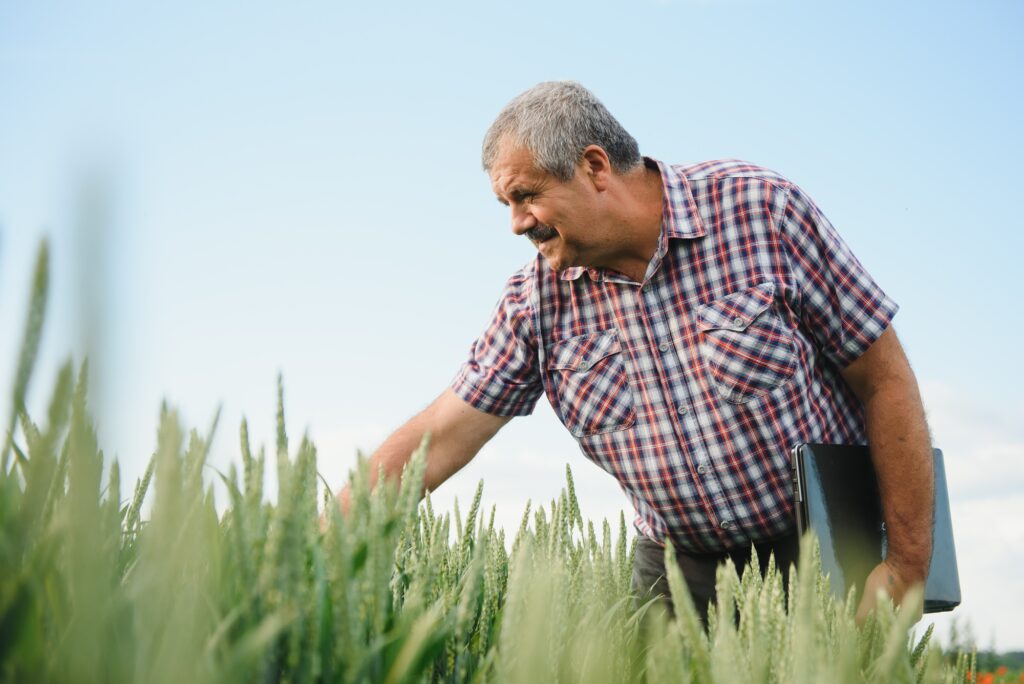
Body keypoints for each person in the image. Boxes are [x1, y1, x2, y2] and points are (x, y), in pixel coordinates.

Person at [332, 81, 934, 625]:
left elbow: (883, 379)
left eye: (525, 196)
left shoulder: (761, 210)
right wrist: (320, 544)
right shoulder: (534, 301)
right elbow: (442, 432)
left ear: (594, 166)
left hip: (825, 548)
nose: (516, 224)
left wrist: (907, 566)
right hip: (677, 572)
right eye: (505, 205)